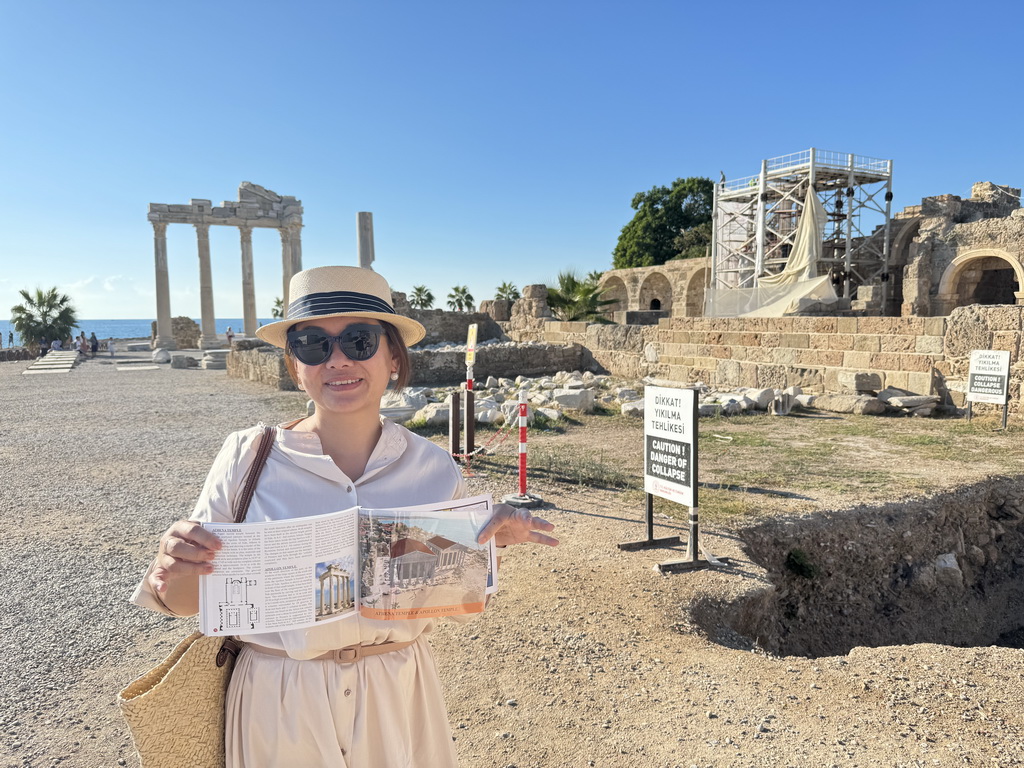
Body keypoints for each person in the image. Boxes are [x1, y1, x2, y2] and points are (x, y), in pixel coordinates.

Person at [130, 266, 557, 767]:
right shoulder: (246, 457)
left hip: (397, 693)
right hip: (279, 701)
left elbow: (444, 590)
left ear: (393, 356)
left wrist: (490, 544)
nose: (336, 360)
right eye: (313, 344)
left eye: (359, 340)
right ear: (294, 365)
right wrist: (170, 566)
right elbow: (186, 602)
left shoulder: (434, 468)